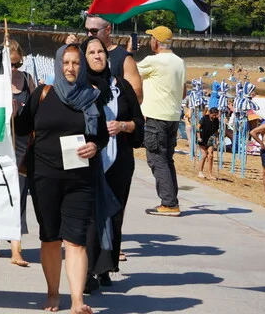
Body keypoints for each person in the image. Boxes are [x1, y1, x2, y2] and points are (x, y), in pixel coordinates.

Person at [15, 44, 111, 314]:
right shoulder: (43, 94)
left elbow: (101, 135)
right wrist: (13, 111)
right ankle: (53, 293)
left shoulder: (91, 97)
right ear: (58, 65)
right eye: (66, 63)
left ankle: (78, 301)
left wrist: (95, 146)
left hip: (80, 178)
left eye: (76, 63)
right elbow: (21, 128)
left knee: (76, 240)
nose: (70, 68)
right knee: (50, 238)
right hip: (44, 177)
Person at [82, 37, 143, 294]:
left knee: (114, 214)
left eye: (101, 52)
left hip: (119, 160)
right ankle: (87, 270)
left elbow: (138, 122)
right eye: (91, 52)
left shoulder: (122, 86)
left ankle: (105, 267)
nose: (97, 56)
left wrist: (123, 125)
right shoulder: (79, 87)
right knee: (89, 215)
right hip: (89, 158)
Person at [0, 40, 35, 267]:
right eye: (10, 64)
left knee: (19, 194)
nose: (14, 69)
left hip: (23, 145)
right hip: (1, 144)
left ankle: (16, 249)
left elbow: (34, 111)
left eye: (17, 64)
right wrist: (7, 114)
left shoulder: (27, 80)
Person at [137, 26, 186, 216]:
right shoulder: (180, 62)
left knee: (157, 159)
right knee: (167, 160)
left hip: (156, 116)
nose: (150, 42)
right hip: (173, 116)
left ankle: (169, 203)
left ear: (156, 42)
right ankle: (172, 200)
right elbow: (183, 92)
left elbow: (129, 72)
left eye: (151, 38)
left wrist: (128, 53)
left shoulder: (153, 61)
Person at [81, 16, 143, 104]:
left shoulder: (124, 58)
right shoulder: (81, 53)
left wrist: (109, 92)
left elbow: (138, 96)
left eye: (94, 31)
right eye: (86, 30)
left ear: (108, 30)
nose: (89, 35)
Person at [196, 108, 221, 179]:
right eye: (213, 115)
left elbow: (216, 131)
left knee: (210, 156)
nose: (214, 117)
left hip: (209, 138)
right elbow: (198, 127)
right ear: (209, 113)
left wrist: (217, 140)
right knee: (204, 155)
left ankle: (210, 174)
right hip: (202, 137)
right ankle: (200, 172)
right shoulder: (204, 118)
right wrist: (199, 137)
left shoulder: (216, 121)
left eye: (216, 115)